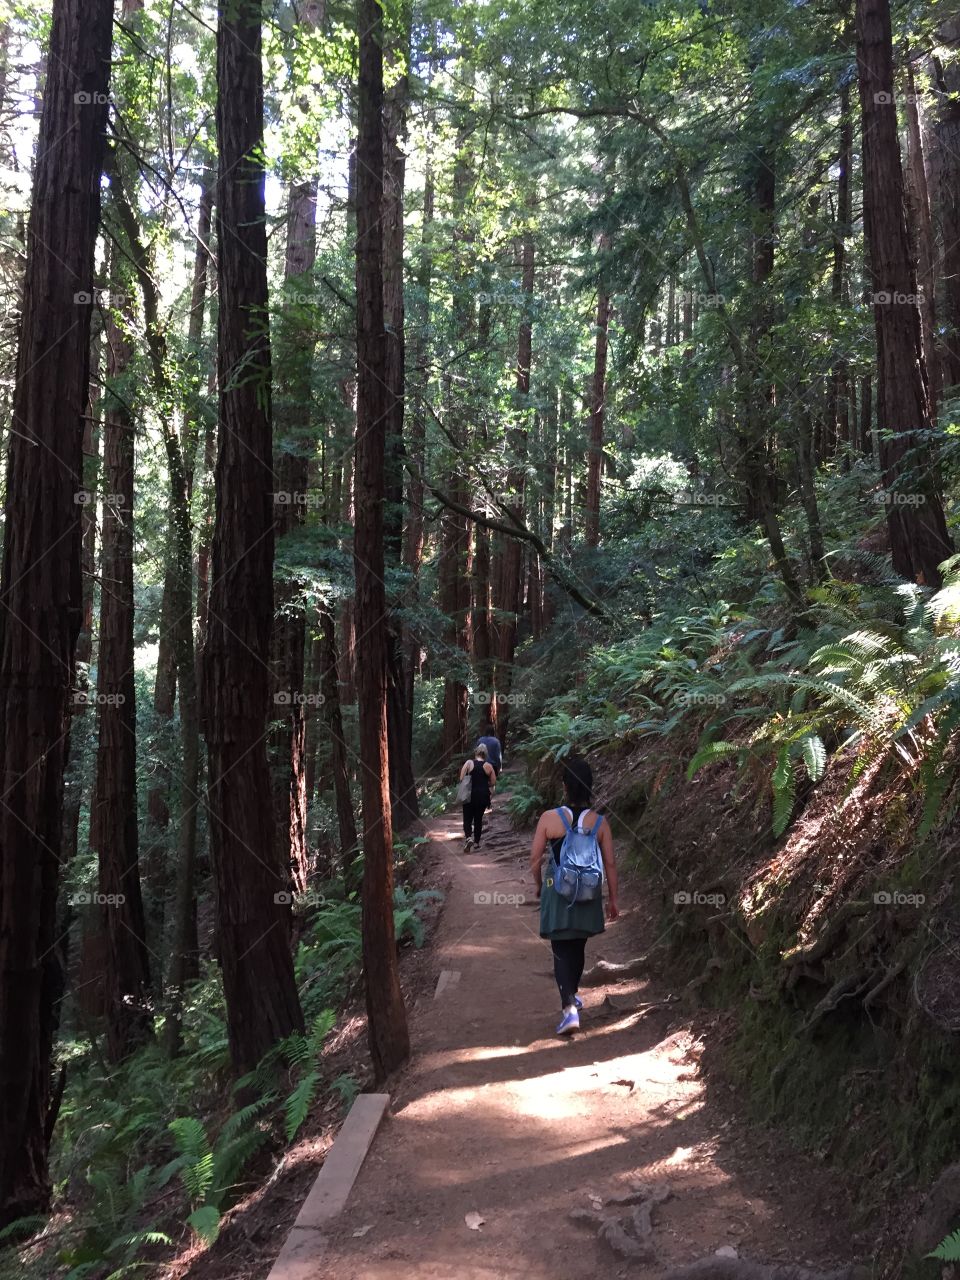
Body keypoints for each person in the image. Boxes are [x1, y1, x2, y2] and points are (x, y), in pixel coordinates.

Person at [529, 755, 619, 1036]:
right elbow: (611, 864)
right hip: (589, 891)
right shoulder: (599, 822)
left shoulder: (548, 818)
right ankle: (573, 994)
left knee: (559, 951)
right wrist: (613, 899)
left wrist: (538, 885)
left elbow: (535, 859)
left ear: (565, 787)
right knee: (578, 948)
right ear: (590, 787)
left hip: (558, 888)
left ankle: (569, 1008)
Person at [459, 743, 496, 853]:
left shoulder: (469, 763)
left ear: (476, 752)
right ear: (486, 754)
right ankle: (476, 843)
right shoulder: (488, 766)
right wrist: (484, 783)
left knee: (467, 818)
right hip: (482, 796)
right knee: (478, 819)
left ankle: (468, 837)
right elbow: (493, 782)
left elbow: (461, 778)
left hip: (469, 795)